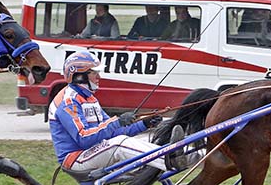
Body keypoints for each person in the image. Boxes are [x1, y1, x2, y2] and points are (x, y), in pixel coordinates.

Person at [48, 51, 186, 173]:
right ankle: (168, 159)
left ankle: (192, 155)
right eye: (94, 73)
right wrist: (117, 121)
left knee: (144, 140)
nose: (99, 77)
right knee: (119, 143)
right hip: (76, 159)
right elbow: (84, 138)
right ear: (79, 76)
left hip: (92, 152)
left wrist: (143, 124)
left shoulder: (90, 98)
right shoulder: (68, 101)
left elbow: (111, 133)